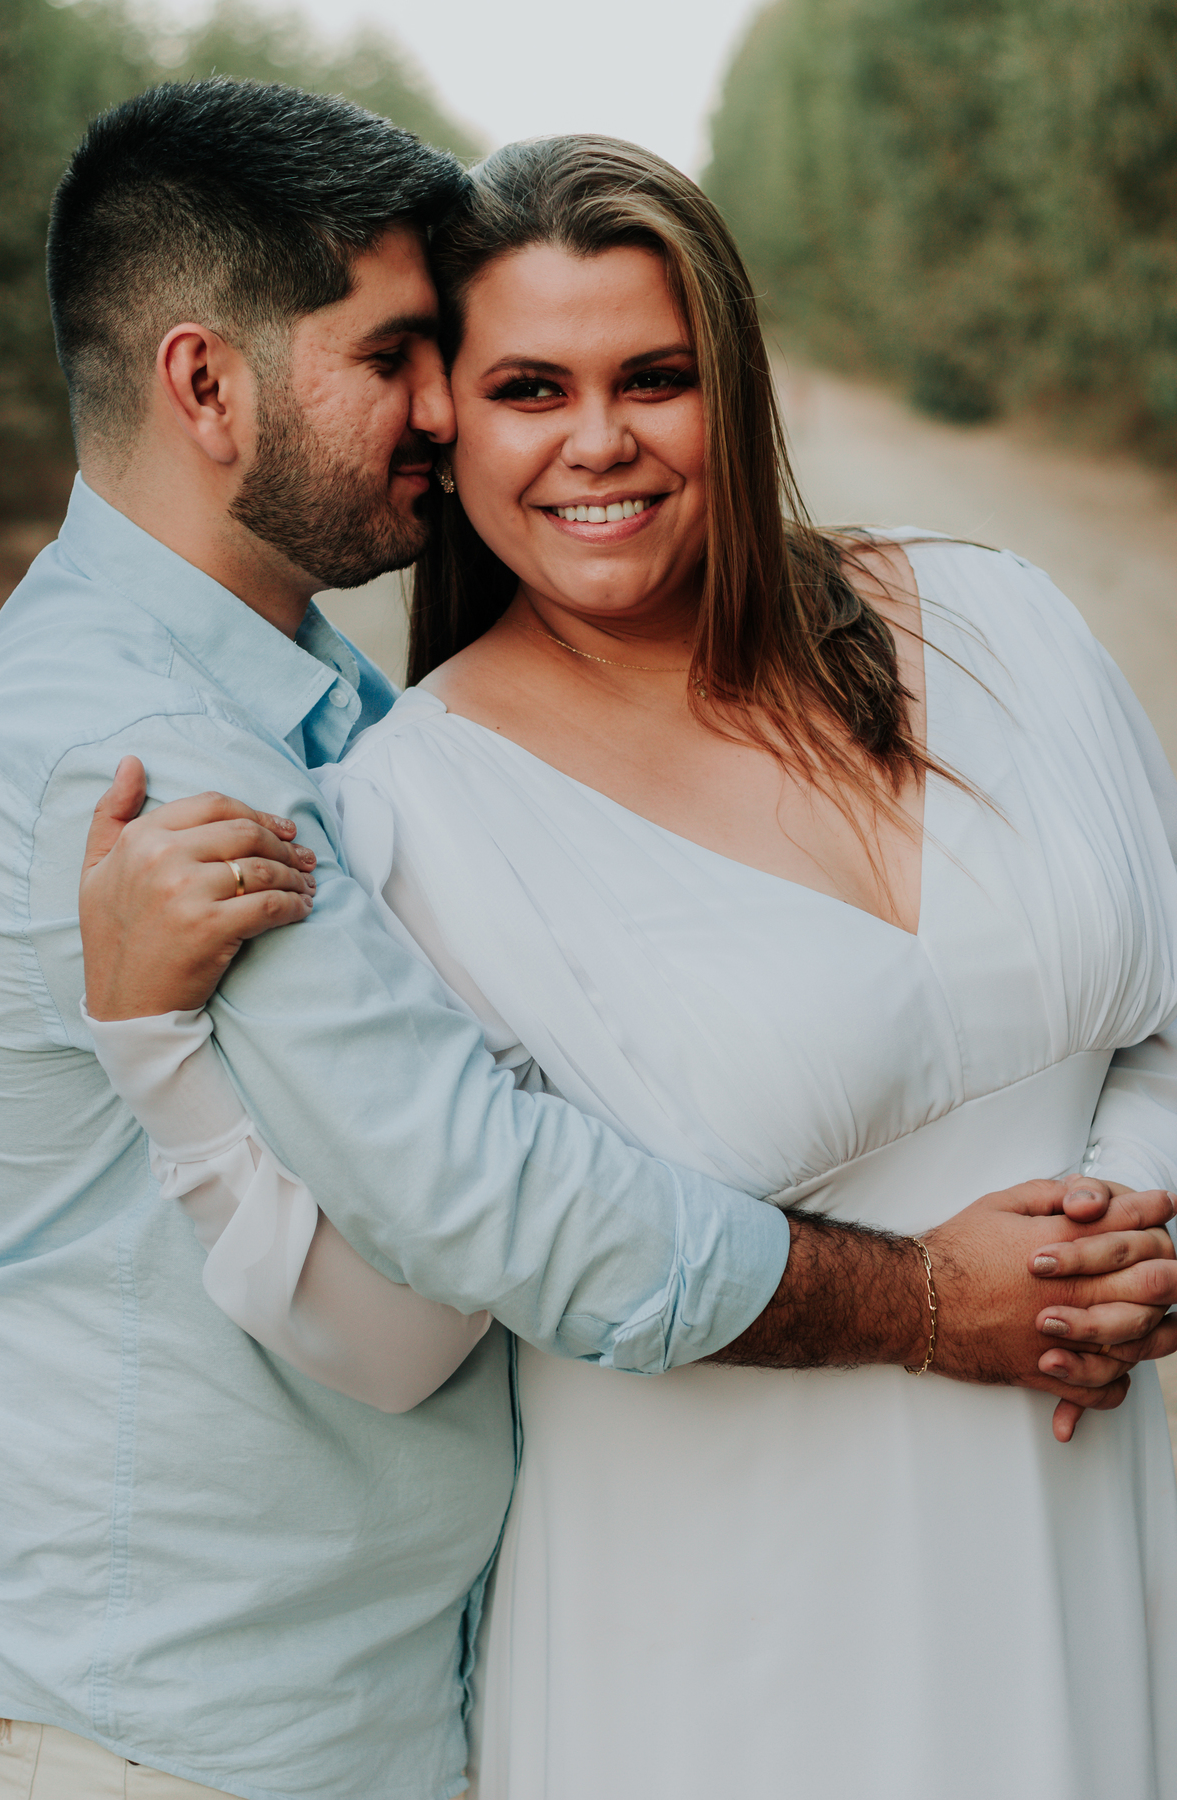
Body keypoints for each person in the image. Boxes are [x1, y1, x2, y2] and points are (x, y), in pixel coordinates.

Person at [70, 135, 1177, 1800]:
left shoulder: (1000, 616)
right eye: (531, 387)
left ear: (733, 383)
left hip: (1090, 1521)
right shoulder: (403, 814)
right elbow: (396, 1340)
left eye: (655, 376)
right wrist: (156, 1045)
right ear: (454, 426)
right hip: (720, 1653)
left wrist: (1117, 1250)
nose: (601, 441)